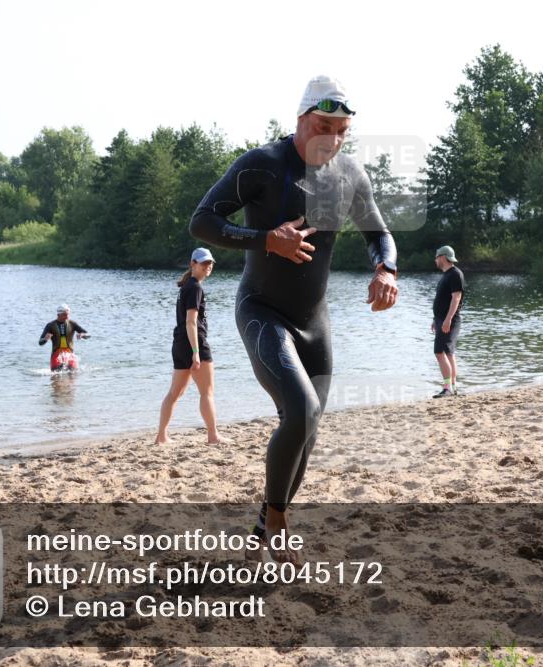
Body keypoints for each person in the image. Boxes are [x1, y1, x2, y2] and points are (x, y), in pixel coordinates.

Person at [190, 75, 398, 563]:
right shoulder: (262, 165)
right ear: (302, 119)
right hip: (262, 311)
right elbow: (202, 221)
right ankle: (279, 520)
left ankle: (266, 519)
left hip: (314, 320)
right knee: (300, 411)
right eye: (325, 125)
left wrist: (385, 269)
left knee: (309, 425)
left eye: (343, 129)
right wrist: (266, 238)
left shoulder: (349, 175)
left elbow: (379, 234)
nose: (334, 137)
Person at [156, 248, 222, 445]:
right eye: (203, 263)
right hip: (195, 344)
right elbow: (191, 322)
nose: (208, 266)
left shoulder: (186, 286)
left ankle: (161, 436)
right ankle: (213, 436)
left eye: (210, 263)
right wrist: (195, 353)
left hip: (179, 344)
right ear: (193, 264)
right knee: (206, 392)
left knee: (175, 393)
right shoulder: (194, 287)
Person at [431, 245, 465, 397]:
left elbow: (456, 297)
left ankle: (447, 388)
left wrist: (448, 320)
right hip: (441, 319)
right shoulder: (446, 275)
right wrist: (435, 319)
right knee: (448, 353)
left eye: (437, 257)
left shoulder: (455, 274)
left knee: (439, 352)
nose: (435, 260)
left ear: (443, 257)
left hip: (449, 320)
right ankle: (453, 387)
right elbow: (442, 300)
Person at [39, 304, 89, 371]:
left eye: (68, 314)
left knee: (73, 374)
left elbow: (87, 334)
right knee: (55, 374)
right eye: (64, 315)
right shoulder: (50, 325)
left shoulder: (72, 323)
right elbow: (40, 342)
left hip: (69, 353)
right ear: (58, 315)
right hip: (56, 354)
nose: (67, 316)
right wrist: (45, 339)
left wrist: (82, 335)